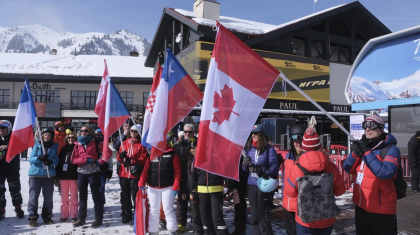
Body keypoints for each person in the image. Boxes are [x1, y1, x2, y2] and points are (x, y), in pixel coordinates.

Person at [343, 115, 400, 235]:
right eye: (365, 126)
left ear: (380, 128)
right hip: (362, 205)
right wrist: (354, 154)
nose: (367, 129)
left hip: (381, 208)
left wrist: (366, 152)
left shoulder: (391, 149)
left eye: (372, 125)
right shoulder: (364, 146)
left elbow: (385, 173)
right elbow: (348, 168)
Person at [284, 127, 346, 235]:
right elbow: (340, 191)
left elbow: (290, 193)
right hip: (327, 217)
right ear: (319, 145)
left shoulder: (297, 167)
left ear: (304, 146)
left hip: (306, 219)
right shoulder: (331, 166)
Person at [242, 124, 279, 235]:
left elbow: (274, 167)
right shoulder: (249, 149)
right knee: (254, 216)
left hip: (264, 185)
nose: (253, 135)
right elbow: (244, 170)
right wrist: (245, 165)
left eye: (256, 133)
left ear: (261, 134)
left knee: (263, 217)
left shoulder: (269, 149)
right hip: (252, 185)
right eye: (252, 133)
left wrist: (262, 170)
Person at [71, 125, 111, 228]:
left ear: (90, 132)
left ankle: (98, 219)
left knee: (96, 196)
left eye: (86, 131)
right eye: (81, 131)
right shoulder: (77, 144)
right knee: (83, 196)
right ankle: (81, 218)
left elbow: (108, 152)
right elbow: (73, 160)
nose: (83, 132)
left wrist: (100, 162)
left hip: (94, 172)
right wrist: (85, 160)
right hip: (81, 172)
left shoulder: (96, 142)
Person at [138, 141, 181, 235]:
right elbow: (145, 171)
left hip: (168, 187)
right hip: (152, 187)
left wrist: (176, 186)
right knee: (154, 209)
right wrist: (141, 182)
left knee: (168, 209)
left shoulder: (172, 155)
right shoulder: (152, 155)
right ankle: (153, 231)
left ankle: (172, 230)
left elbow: (177, 172)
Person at [190, 136, 229, 235]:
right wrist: (192, 190)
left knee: (217, 218)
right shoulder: (197, 157)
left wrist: (229, 188)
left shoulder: (218, 156)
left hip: (215, 192)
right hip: (201, 192)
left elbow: (226, 173)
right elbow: (193, 175)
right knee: (205, 219)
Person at [173, 123, 202, 233]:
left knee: (195, 204)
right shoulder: (177, 145)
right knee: (181, 203)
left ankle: (196, 226)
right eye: (185, 131)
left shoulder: (198, 144)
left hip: (195, 178)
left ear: (193, 133)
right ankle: (181, 224)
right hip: (181, 176)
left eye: (190, 132)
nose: (187, 134)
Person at [28, 128, 59, 227]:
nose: (47, 137)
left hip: (48, 175)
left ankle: (47, 216)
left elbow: (56, 160)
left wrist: (51, 162)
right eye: (45, 135)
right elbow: (31, 160)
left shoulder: (54, 146)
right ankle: (32, 217)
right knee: (33, 197)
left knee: (48, 197)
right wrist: (39, 158)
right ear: (42, 136)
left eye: (49, 135)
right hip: (36, 174)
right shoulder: (37, 145)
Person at [117, 124, 148, 223]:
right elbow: (118, 157)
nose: (133, 133)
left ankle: (137, 214)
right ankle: (126, 213)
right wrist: (121, 156)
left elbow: (143, 158)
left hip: (135, 173)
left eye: (135, 131)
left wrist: (132, 161)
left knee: (135, 194)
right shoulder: (124, 143)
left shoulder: (141, 145)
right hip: (124, 173)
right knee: (125, 194)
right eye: (132, 131)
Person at [282, 124, 306, 235]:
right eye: (294, 140)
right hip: (288, 202)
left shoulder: (310, 157)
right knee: (290, 231)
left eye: (300, 139)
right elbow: (285, 178)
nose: (297, 143)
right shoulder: (289, 156)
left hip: (304, 203)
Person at [0, 120, 24, 220]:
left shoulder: (14, 137)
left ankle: (18, 208)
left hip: (12, 168)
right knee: (0, 190)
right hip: (0, 169)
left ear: (8, 128)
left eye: (3, 128)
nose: (1, 130)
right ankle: (1, 210)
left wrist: (7, 147)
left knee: (15, 189)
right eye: (0, 128)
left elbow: (20, 147)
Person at [56, 131, 79, 223]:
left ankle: (74, 216)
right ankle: (64, 215)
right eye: (69, 137)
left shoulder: (78, 148)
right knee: (64, 197)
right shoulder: (63, 149)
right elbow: (59, 163)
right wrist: (57, 175)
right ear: (66, 139)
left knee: (74, 197)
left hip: (74, 176)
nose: (71, 139)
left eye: (73, 137)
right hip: (63, 176)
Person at [225, 155, 248, 235]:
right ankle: (240, 228)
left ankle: (240, 230)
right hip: (238, 184)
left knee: (239, 207)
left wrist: (229, 185)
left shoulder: (239, 153)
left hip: (240, 184)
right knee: (239, 207)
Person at [94, 129, 113, 212]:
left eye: (100, 134)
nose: (98, 136)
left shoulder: (105, 146)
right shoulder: (92, 144)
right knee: (95, 188)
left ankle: (101, 204)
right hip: (93, 170)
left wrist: (110, 170)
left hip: (103, 169)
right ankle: (97, 203)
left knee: (101, 188)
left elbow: (110, 158)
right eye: (96, 134)